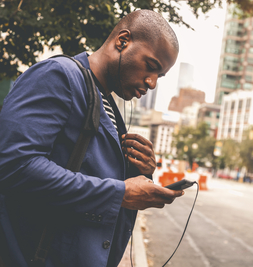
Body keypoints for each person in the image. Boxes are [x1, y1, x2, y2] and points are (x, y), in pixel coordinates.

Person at [0, 10, 183, 267]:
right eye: (151, 66)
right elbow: (14, 166)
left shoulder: (106, 102)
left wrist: (140, 170)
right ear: (122, 41)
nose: (152, 83)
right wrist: (119, 193)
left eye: (160, 76)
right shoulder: (58, 75)